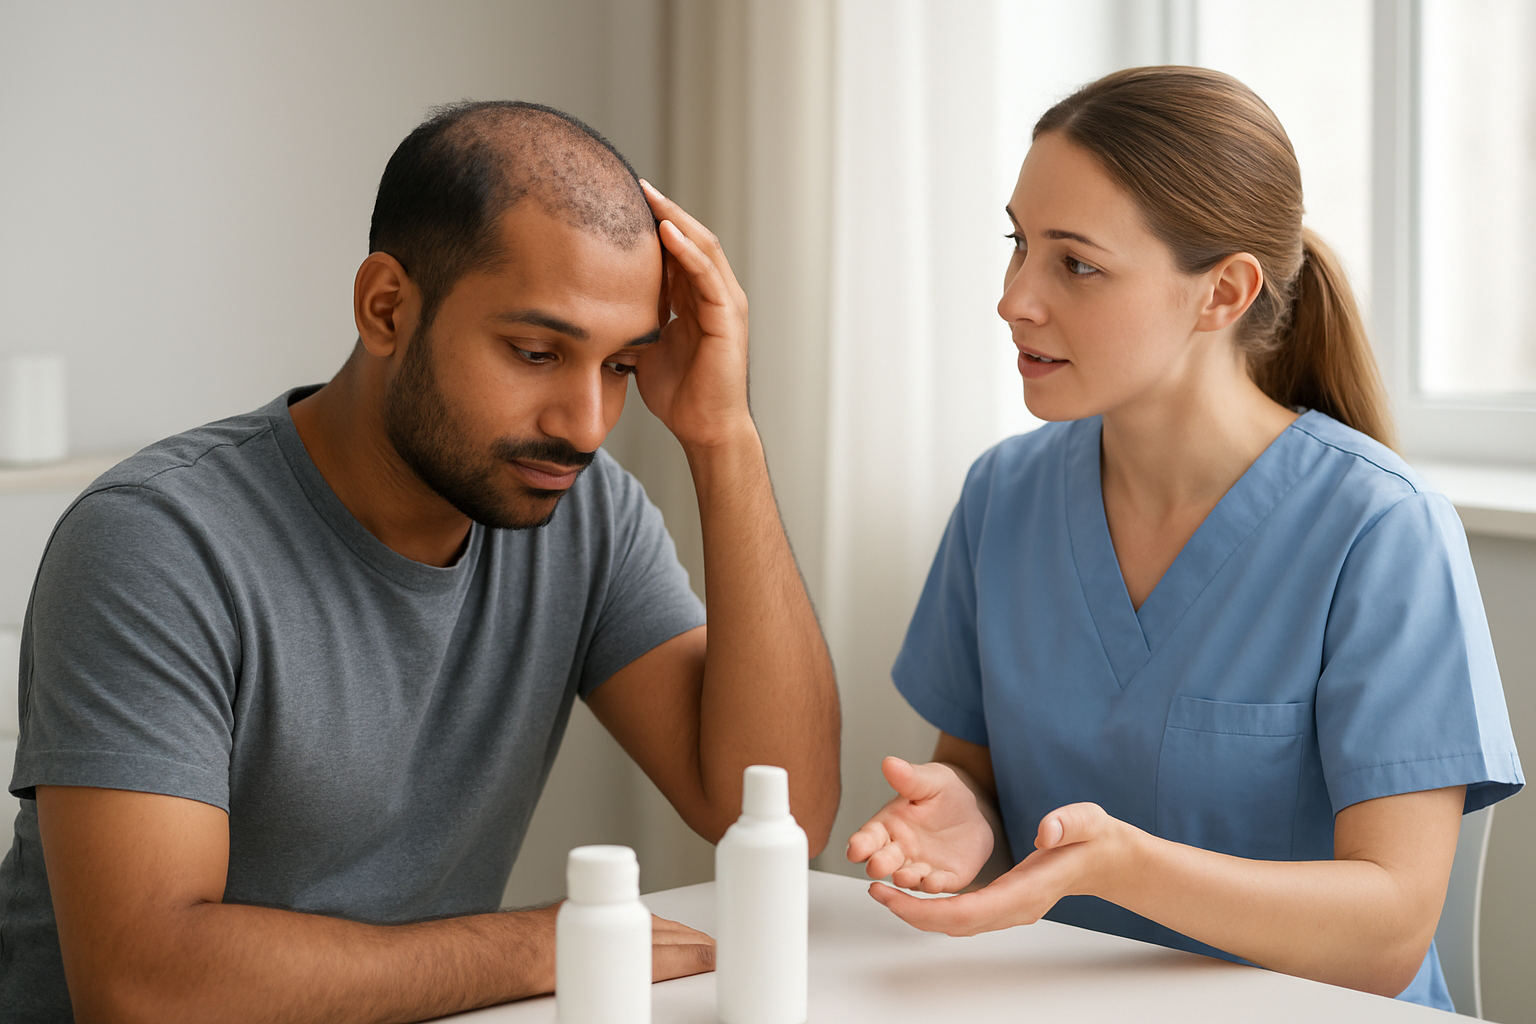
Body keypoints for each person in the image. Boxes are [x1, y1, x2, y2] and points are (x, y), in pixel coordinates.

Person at [1, 101, 841, 1023]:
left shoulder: (580, 512)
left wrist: (726, 438)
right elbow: (147, 985)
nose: (585, 426)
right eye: (535, 352)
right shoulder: (155, 544)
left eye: (620, 369)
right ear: (387, 308)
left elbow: (779, 813)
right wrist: (543, 943)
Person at [846, 66, 1522, 1011]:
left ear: (1224, 293)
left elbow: (1390, 933)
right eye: (1019, 244)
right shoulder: (1005, 496)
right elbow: (976, 780)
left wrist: (1126, 867)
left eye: (1075, 263)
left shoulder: (1380, 529)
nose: (1015, 299)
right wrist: (963, 817)